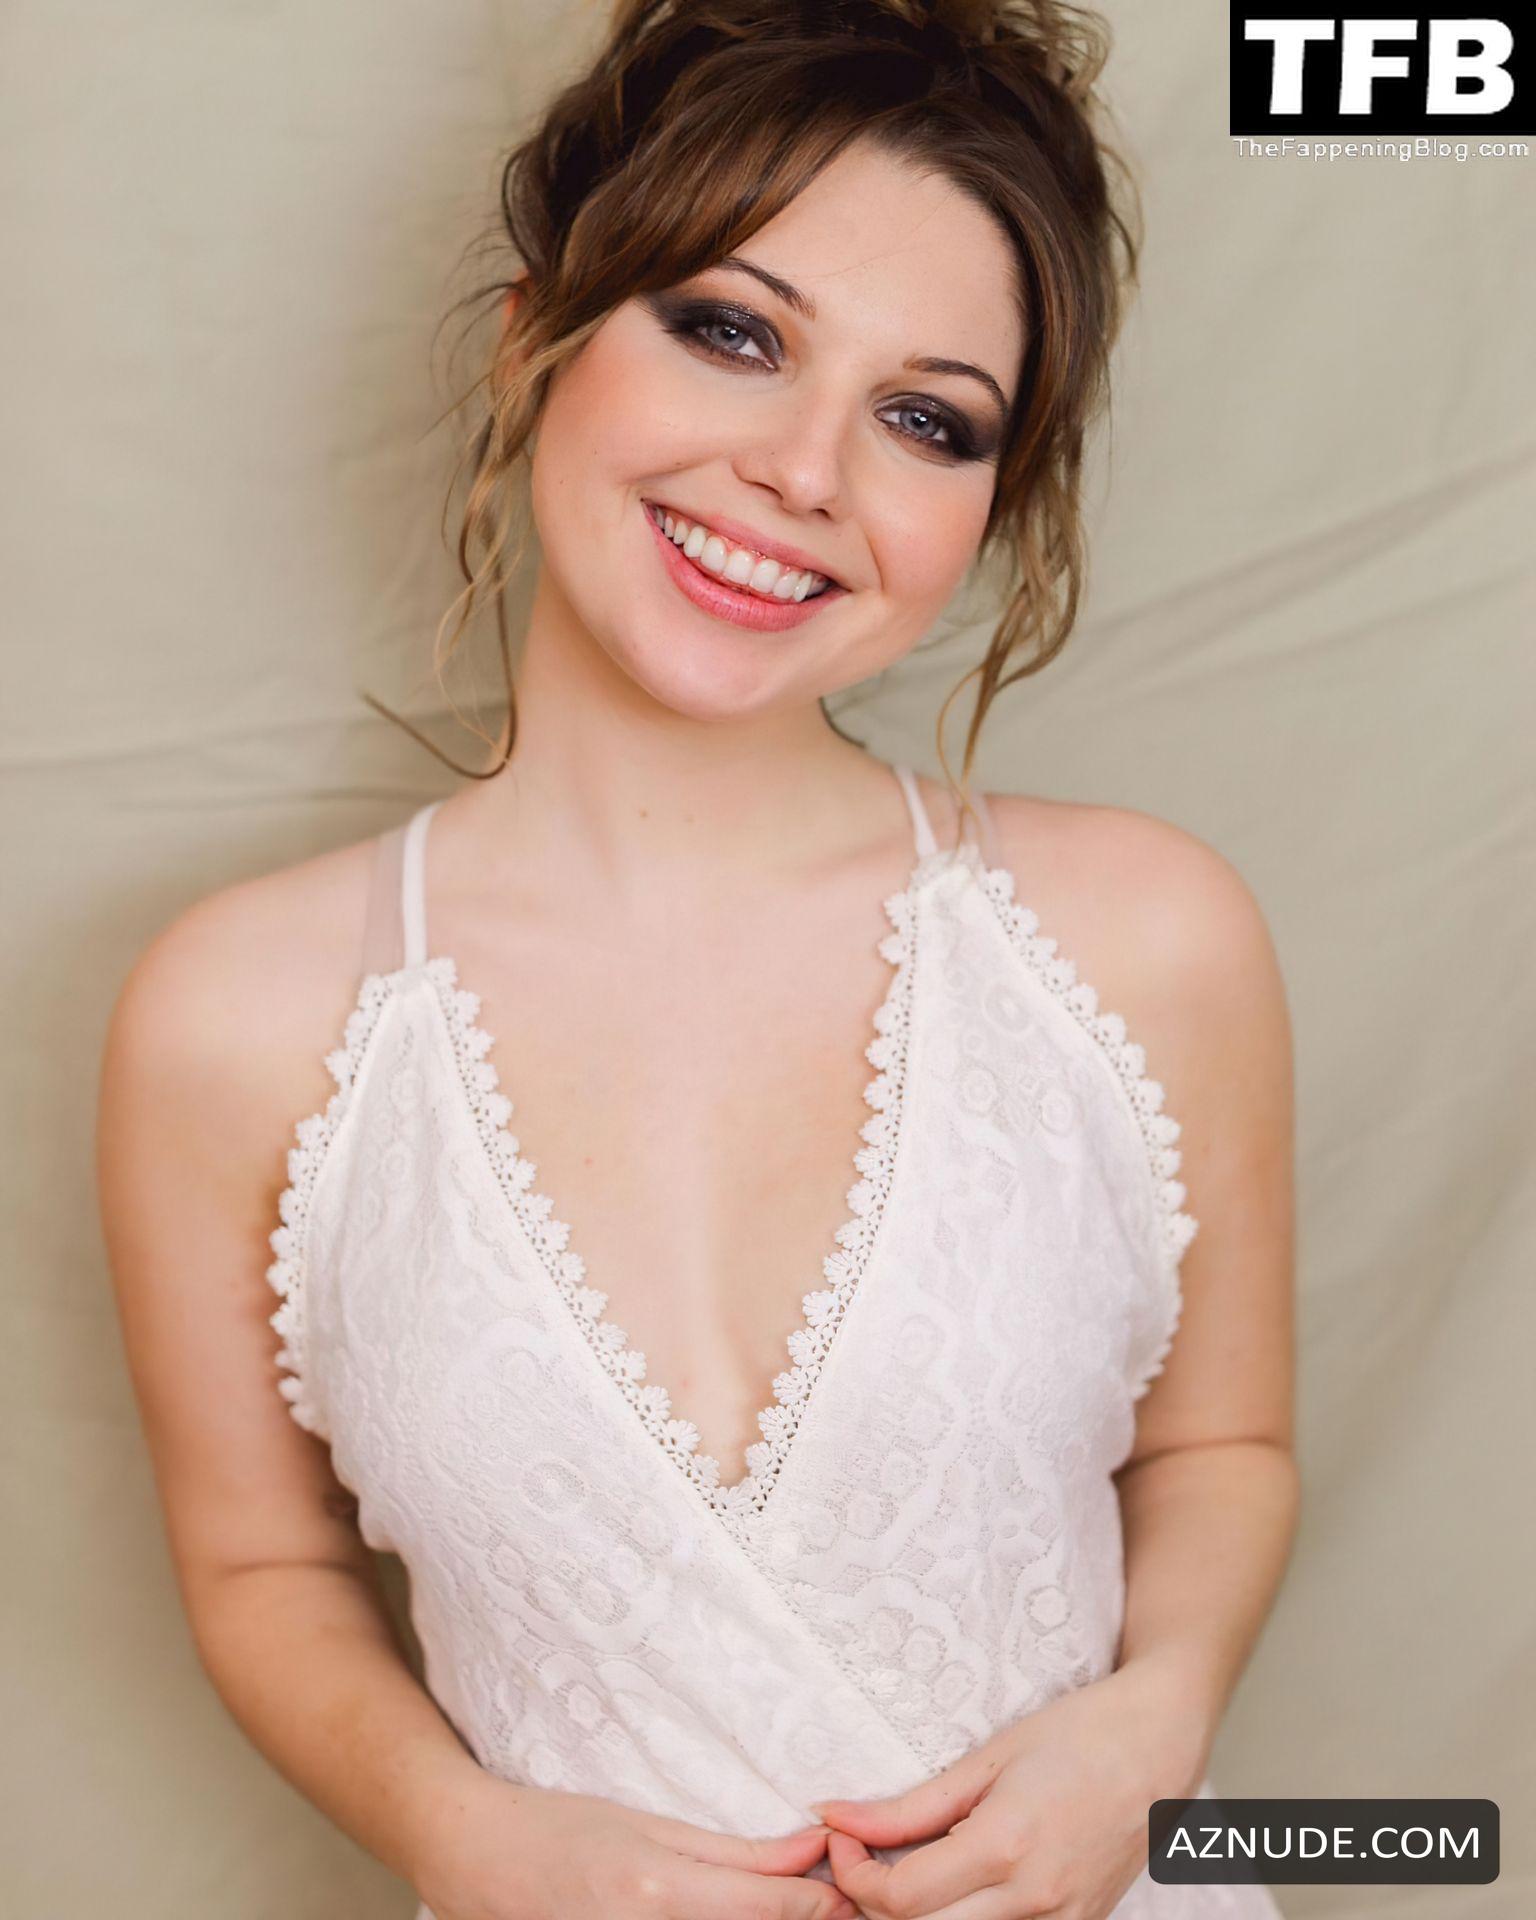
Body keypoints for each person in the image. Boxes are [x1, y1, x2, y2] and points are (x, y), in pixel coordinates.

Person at [97, 2, 1298, 1916]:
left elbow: (1225, 1441)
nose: (808, 470)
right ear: (535, 343)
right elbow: (259, 1567)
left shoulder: (1150, 937)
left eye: (926, 418)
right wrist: (462, 1836)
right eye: (734, 331)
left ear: (988, 513)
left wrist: (1154, 1731)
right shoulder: (234, 1021)